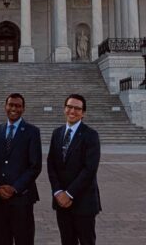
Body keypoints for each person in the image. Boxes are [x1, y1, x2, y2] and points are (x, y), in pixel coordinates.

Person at [0, 93, 42, 245]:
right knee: (0, 239)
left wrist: (15, 188)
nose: (14, 108)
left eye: (18, 106)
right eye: (11, 105)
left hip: (22, 199)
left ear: (23, 109)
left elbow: (35, 166)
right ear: (5, 107)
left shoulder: (32, 131)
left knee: (24, 239)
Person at [47, 94, 101, 245]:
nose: (73, 111)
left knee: (86, 241)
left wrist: (69, 194)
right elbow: (51, 164)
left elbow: (89, 169)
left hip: (83, 202)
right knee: (66, 241)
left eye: (77, 108)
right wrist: (58, 192)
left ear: (83, 113)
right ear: (64, 109)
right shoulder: (57, 133)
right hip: (61, 202)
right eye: (70, 107)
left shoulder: (91, 135)